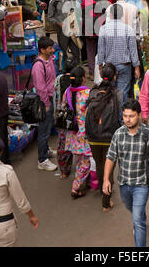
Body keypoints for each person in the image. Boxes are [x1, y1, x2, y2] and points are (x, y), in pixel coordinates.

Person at [103, 98, 149, 247]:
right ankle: (139, 217)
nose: (127, 119)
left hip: (141, 184)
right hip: (124, 183)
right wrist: (106, 179)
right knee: (131, 209)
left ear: (139, 115)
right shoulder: (118, 134)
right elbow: (110, 157)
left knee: (138, 221)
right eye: (125, 116)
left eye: (131, 116)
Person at [86, 63, 123, 212]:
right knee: (109, 168)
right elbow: (120, 115)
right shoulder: (118, 93)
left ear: (101, 75)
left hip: (93, 135)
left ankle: (103, 190)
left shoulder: (92, 92)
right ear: (115, 76)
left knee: (100, 164)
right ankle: (106, 203)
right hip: (110, 136)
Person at [97, 4, 141, 104]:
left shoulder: (103, 29)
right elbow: (133, 50)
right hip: (125, 66)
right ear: (122, 15)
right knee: (123, 93)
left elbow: (100, 50)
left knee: (109, 92)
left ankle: (112, 115)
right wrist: (137, 67)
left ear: (111, 15)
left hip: (109, 68)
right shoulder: (128, 29)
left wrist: (100, 67)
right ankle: (121, 117)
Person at [62, 66, 91, 198]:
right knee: (85, 162)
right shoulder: (87, 94)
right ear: (83, 79)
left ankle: (82, 182)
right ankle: (76, 187)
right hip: (83, 133)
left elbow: (63, 107)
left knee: (79, 160)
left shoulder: (67, 92)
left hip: (72, 133)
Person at [32, 36, 58, 172]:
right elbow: (41, 88)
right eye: (50, 48)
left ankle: (46, 150)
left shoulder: (49, 60)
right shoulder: (38, 66)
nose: (53, 50)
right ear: (42, 50)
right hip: (44, 101)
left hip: (50, 98)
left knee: (48, 127)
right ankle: (42, 160)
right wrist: (46, 103)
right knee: (43, 131)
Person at [48, 0, 80, 66]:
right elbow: (50, 17)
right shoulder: (53, 2)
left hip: (71, 29)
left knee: (75, 49)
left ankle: (76, 66)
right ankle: (65, 67)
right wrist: (59, 24)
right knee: (63, 50)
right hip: (62, 31)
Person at [81, 0, 107, 79]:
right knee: (101, 50)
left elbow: (83, 15)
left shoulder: (85, 0)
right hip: (100, 28)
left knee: (90, 50)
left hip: (89, 29)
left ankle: (92, 73)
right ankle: (101, 72)